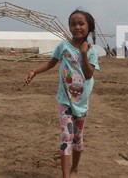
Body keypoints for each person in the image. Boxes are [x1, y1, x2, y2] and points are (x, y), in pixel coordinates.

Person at [24, 9, 100, 178]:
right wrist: (34, 71)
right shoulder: (63, 46)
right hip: (65, 100)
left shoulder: (93, 52)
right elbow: (51, 63)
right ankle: (66, 176)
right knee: (66, 136)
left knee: (78, 138)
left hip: (81, 102)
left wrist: (84, 54)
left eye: (81, 24)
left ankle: (75, 169)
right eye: (73, 24)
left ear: (89, 27)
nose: (77, 27)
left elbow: (88, 74)